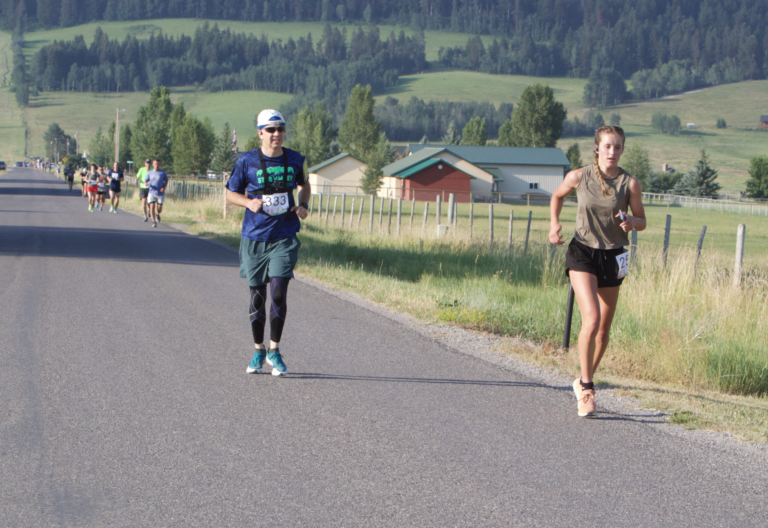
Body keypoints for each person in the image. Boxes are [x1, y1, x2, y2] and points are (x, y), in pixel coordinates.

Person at [548, 126, 646, 418]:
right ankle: (588, 390)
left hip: (614, 256)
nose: (612, 152)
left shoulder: (630, 184)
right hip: (583, 252)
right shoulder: (579, 176)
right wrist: (554, 224)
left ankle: (581, 379)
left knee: (603, 329)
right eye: (607, 146)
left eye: (617, 147)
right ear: (597, 148)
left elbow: (642, 221)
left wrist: (632, 222)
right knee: (591, 319)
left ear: (622, 150)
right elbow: (557, 196)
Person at [226, 109, 311, 377]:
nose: (277, 134)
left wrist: (303, 204)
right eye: (271, 130)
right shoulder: (246, 161)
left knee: (278, 293)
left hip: (284, 236)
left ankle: (275, 350)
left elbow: (304, 185)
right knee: (257, 296)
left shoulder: (295, 159)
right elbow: (230, 193)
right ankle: (258, 350)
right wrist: (247, 202)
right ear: (260, 132)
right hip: (254, 238)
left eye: (281, 129)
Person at [146, 158, 168, 228]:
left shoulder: (163, 173)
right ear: (153, 164)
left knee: (159, 208)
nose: (156, 165)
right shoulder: (150, 173)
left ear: (160, 164)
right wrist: (146, 183)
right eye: (155, 164)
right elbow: (145, 180)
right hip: (152, 192)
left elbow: (166, 181)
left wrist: (163, 188)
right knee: (152, 206)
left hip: (160, 193)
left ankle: (157, 213)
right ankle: (154, 221)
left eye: (158, 164)